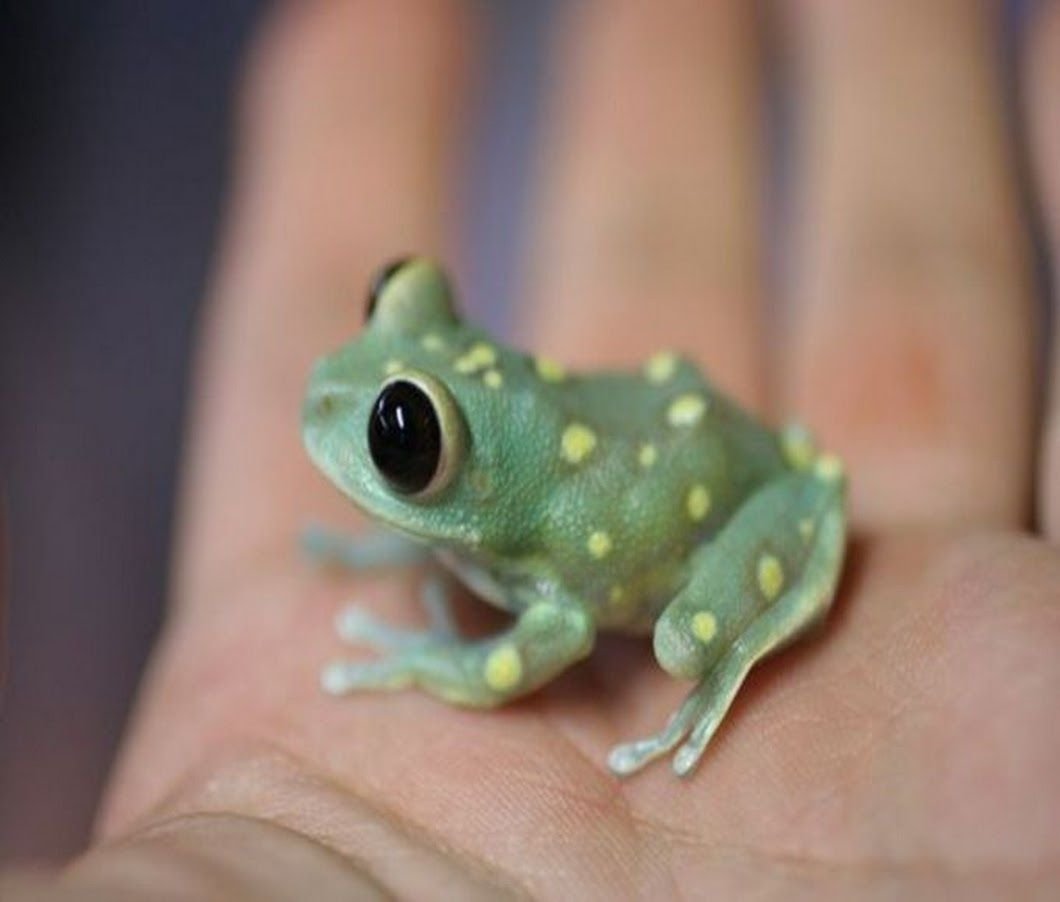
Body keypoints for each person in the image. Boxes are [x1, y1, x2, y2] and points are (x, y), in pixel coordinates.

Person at [5, 1, 1059, 896]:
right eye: (392, 297)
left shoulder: (527, 544)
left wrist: (449, 663)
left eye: (400, 433)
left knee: (682, 641)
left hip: (727, 497)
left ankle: (732, 641)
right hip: (667, 439)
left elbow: (558, 626)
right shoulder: (482, 501)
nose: (338, 388)